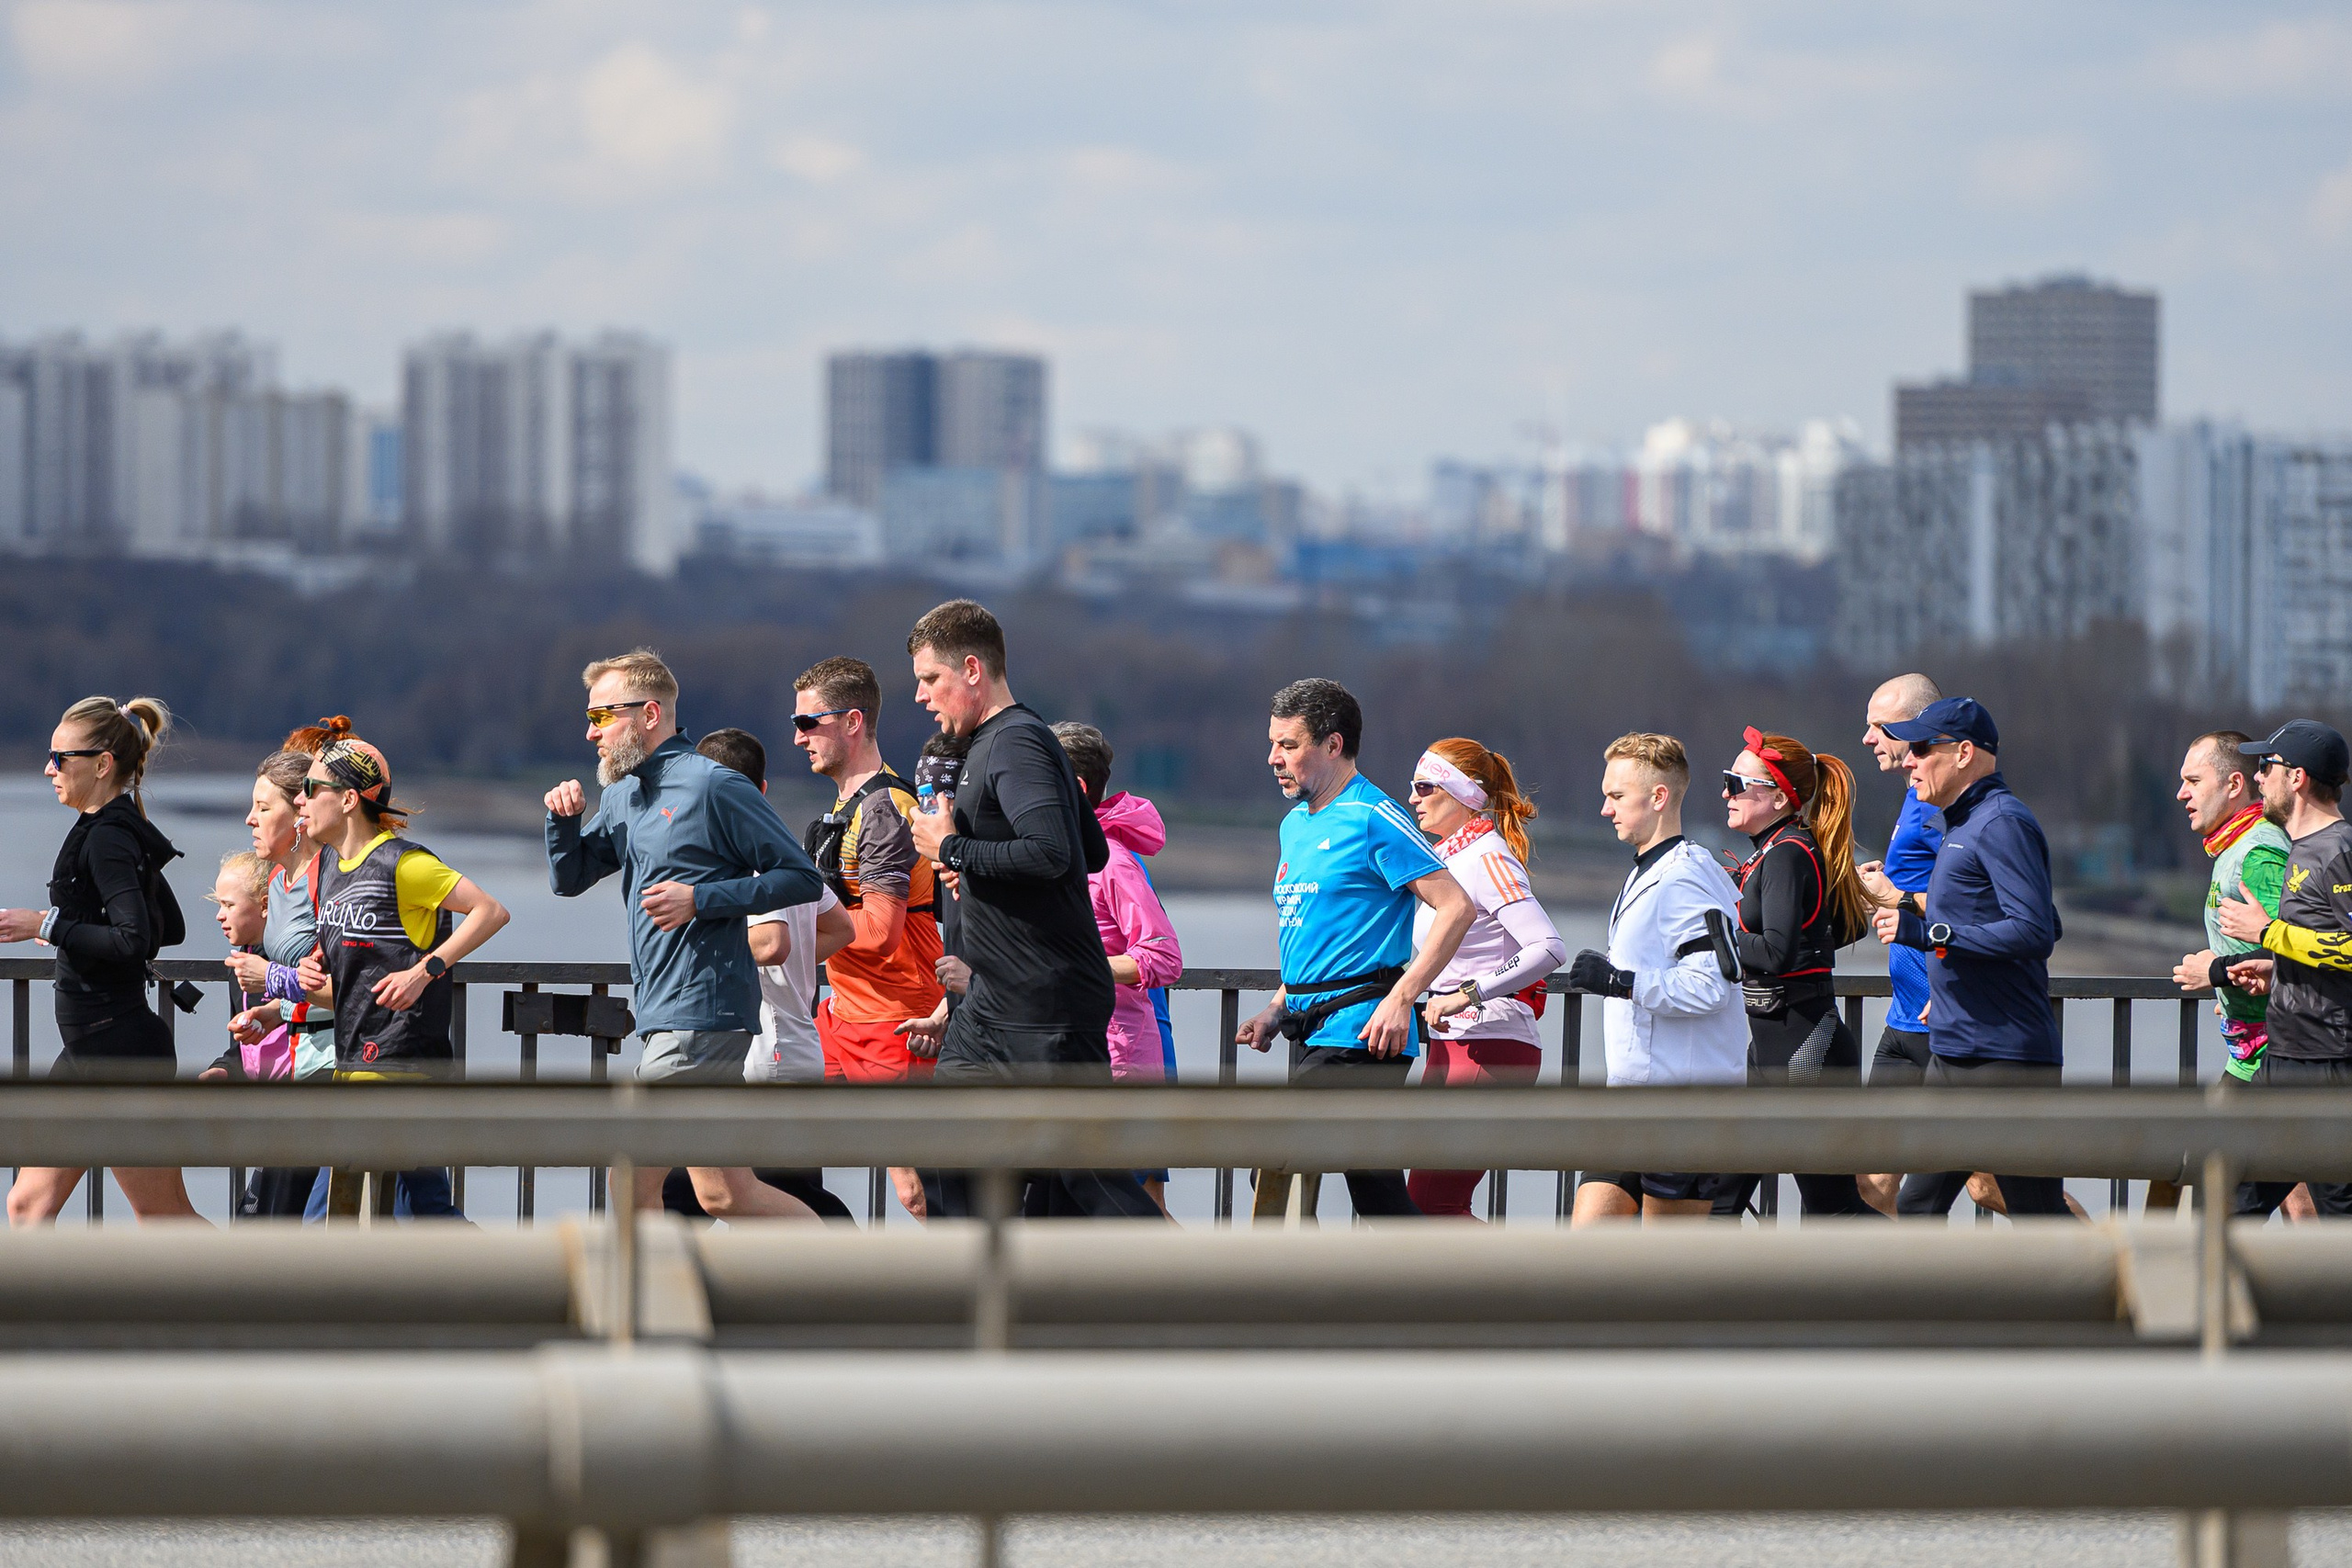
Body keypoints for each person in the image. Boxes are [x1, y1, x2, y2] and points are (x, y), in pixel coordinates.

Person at [545, 648, 826, 1223]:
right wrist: (562, 823)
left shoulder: (712, 786)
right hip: (660, 1013)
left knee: (630, 1170)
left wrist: (702, 899)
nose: (590, 731)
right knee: (723, 1193)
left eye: (602, 716)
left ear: (649, 714)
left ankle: (638, 1310)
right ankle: (844, 1276)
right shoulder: (624, 794)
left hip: (704, 1015)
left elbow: (799, 876)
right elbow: (570, 879)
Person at [901, 599, 1160, 1221]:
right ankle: (991, 1307)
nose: (919, 696)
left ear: (971, 669)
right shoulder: (1003, 745)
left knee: (1086, 1183)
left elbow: (1051, 855)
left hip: (1047, 1006)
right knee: (949, 1162)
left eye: (930, 678)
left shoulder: (1015, 742)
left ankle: (1196, 1302)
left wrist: (954, 848)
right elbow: (1090, 846)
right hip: (992, 1005)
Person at [1233, 678, 1473, 1224]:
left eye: (1289, 745)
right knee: (1374, 1188)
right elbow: (1314, 930)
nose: (1273, 757)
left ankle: (1305, 1299)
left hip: (1364, 1030)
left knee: (1277, 1163)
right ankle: (1421, 1299)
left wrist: (1402, 997)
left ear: (1333, 745)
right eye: (1272, 743)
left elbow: (1456, 906)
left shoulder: (1375, 815)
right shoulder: (1294, 824)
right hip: (1309, 1027)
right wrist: (1277, 1006)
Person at [2, 695, 204, 1225]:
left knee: (162, 1215)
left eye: (60, 757)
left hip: (119, 1054)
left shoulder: (109, 837)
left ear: (102, 764)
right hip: (91, 1049)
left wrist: (46, 925)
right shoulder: (111, 826)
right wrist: (74, 928)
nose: (49, 768)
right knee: (27, 1205)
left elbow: (135, 938)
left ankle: (258, 1302)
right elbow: (170, 926)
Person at [297, 724, 509, 1220]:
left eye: (311, 788)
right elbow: (361, 945)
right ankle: (500, 1285)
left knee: (326, 1216)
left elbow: (490, 911)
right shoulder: (330, 864)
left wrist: (425, 970)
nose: (300, 801)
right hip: (355, 1060)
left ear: (348, 799)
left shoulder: (404, 864)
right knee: (424, 1211)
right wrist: (320, 962)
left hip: (401, 1065)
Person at [1872, 697, 2072, 1220]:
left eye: (1919, 748)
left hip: (2005, 1061)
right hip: (1956, 1051)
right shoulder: (1961, 826)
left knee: (2037, 1216)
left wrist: (1932, 933)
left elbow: (2036, 930)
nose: (1908, 760)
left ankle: (2094, 1297)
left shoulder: (2002, 822)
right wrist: (1950, 985)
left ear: (1963, 753)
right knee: (1917, 1205)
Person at [660, 728, 859, 1225]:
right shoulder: (782, 851)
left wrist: (702, 952)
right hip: (791, 1047)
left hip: (762, 1054)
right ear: (763, 789)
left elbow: (771, 943)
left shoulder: (741, 858)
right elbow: (840, 927)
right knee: (758, 1197)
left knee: (756, 1199)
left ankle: (861, 1276)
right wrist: (800, 964)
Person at [1566, 733, 1747, 1224]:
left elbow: (1713, 985)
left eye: (1617, 797)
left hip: (1683, 1105)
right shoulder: (1647, 869)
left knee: (1670, 1275)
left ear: (1659, 797)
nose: (1606, 809)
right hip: (1631, 1099)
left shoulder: (1686, 877)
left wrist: (1621, 982)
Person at [792, 655, 944, 1222]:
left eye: (810, 723)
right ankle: (825, 1269)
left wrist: (788, 933)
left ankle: (980, 1300)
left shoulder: (884, 810)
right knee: (774, 1141)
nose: (798, 737)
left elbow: (880, 933)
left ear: (852, 722)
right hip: (841, 1016)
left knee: (916, 1192)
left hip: (896, 1021)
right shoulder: (846, 808)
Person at [1711, 728, 1880, 1220]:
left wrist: (1716, 935)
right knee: (1721, 1202)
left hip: (1806, 1054)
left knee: (1833, 1210)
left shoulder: (1787, 852)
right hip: (1774, 1052)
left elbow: (1778, 951)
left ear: (1780, 796)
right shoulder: (1776, 850)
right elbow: (1837, 930)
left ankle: (1930, 1282)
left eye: (1736, 783)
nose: (1726, 793)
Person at [1402, 739, 1565, 1220]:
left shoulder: (1488, 858)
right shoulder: (1450, 860)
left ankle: (1528, 1292)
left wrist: (1467, 994)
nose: (1413, 797)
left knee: (1431, 1206)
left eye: (1424, 786)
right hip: (1452, 1045)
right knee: (1421, 1209)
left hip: (1491, 1044)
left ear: (1460, 793)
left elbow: (1548, 948)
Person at [2211, 721, 2352, 1218]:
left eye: (2267, 767)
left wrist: (2269, 933)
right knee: (2228, 1209)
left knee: (2340, 1225)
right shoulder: (2300, 850)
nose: (2257, 779)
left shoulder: (2336, 850)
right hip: (2283, 1058)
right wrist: (2277, 972)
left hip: (2328, 1064)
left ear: (2298, 778)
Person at [201, 740, 341, 1218]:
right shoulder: (282, 884)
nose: (250, 818)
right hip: (303, 1074)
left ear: (301, 811)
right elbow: (304, 986)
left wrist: (270, 978)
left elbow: (348, 990)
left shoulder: (333, 879)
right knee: (271, 1226)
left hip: (337, 1070)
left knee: (291, 1230)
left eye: (263, 807)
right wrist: (268, 1011)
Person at [1054, 722, 1185, 1213]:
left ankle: (1218, 1288)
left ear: (1077, 789)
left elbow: (1163, 955)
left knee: (1127, 1216)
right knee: (1125, 1215)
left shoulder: (1110, 860)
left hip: (1120, 1060)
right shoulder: (1065, 855)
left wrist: (1081, 968)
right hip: (1080, 1054)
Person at [1852, 673, 1944, 1215]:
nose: (1868, 739)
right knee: (1871, 1184)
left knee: (1989, 1185)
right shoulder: (1915, 796)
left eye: (1879, 727)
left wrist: (1899, 896)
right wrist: (1882, 895)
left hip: (1945, 1019)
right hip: (1902, 1021)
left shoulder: (1941, 804)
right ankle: (1888, 1299)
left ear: (1917, 729)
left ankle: (2102, 1267)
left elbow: (1979, 900)